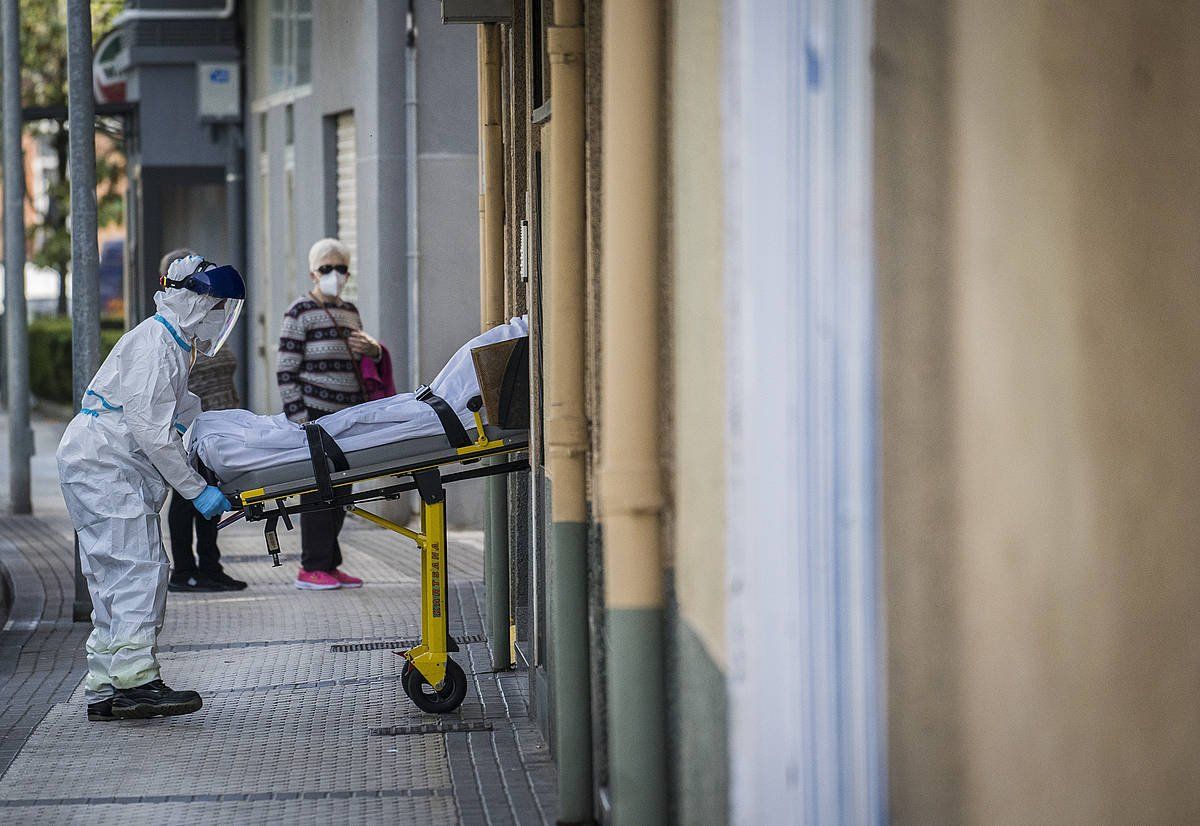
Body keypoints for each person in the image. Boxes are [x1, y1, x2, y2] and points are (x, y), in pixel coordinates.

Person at [57, 254, 245, 722]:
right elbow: (151, 429)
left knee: (110, 575)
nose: (221, 316)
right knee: (140, 568)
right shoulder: (157, 344)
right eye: (218, 305)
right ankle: (138, 682)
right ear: (195, 300)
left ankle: (104, 684)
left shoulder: (172, 343)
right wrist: (195, 488)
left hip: (97, 461)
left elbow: (183, 408)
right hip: (106, 463)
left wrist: (228, 436)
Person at [277, 238, 379, 591]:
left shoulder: (350, 311)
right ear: (312, 273)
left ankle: (331, 563)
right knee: (318, 491)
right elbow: (286, 370)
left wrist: (374, 350)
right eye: (326, 269)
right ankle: (311, 566)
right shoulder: (299, 312)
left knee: (342, 492)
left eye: (340, 268)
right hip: (316, 418)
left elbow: (368, 361)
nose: (333, 275)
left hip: (350, 416)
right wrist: (300, 419)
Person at [156, 249, 248, 593]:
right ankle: (184, 571)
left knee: (211, 498)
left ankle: (210, 567)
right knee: (186, 499)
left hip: (214, 424)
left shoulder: (202, 331)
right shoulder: (170, 338)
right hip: (189, 432)